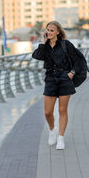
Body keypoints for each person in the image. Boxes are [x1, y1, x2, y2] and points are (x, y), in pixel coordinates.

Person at [32, 21, 79, 150]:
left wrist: (72, 73)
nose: (49, 32)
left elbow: (78, 61)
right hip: (51, 79)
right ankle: (52, 130)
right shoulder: (45, 47)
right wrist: (43, 42)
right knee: (47, 112)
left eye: (52, 30)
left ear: (58, 32)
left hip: (64, 79)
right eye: (47, 30)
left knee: (62, 110)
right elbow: (36, 56)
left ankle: (61, 138)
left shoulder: (66, 45)